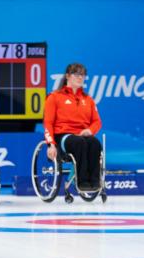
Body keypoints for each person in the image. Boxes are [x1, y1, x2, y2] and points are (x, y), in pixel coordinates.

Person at [43, 62, 103, 191]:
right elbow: (48, 122)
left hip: (83, 135)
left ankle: (94, 181)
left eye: (82, 75)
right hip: (63, 137)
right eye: (76, 74)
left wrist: (89, 130)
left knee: (94, 143)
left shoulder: (88, 100)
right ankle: (81, 182)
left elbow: (97, 122)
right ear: (67, 76)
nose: (80, 77)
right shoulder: (54, 97)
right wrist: (51, 144)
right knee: (79, 142)